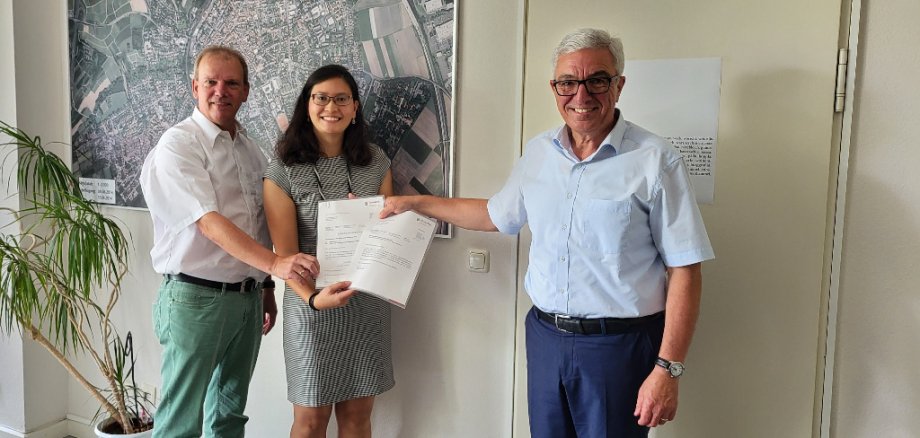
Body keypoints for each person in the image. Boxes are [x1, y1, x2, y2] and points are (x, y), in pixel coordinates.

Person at [380, 28, 714, 437]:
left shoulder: (655, 160)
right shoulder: (539, 153)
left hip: (618, 347)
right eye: (568, 82)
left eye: (597, 80)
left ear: (619, 85)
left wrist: (668, 368)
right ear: (554, 88)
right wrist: (414, 203)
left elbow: (685, 268)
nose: (582, 95)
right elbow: (495, 214)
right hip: (545, 339)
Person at [140, 46, 335, 438]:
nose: (220, 91)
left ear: (246, 91)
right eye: (210, 82)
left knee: (229, 416)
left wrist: (264, 286)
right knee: (180, 424)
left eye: (231, 83)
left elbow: (257, 219)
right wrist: (275, 266)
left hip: (245, 301)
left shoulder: (249, 148)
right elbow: (208, 223)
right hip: (194, 301)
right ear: (194, 87)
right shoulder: (179, 145)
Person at [263, 64, 396, 438]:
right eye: (321, 98)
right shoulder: (282, 171)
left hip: (364, 300)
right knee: (309, 423)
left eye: (341, 99)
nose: (330, 107)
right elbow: (285, 256)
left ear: (355, 108)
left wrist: (369, 219)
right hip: (310, 307)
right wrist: (312, 300)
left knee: (357, 418)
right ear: (307, 105)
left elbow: (390, 234)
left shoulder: (377, 162)